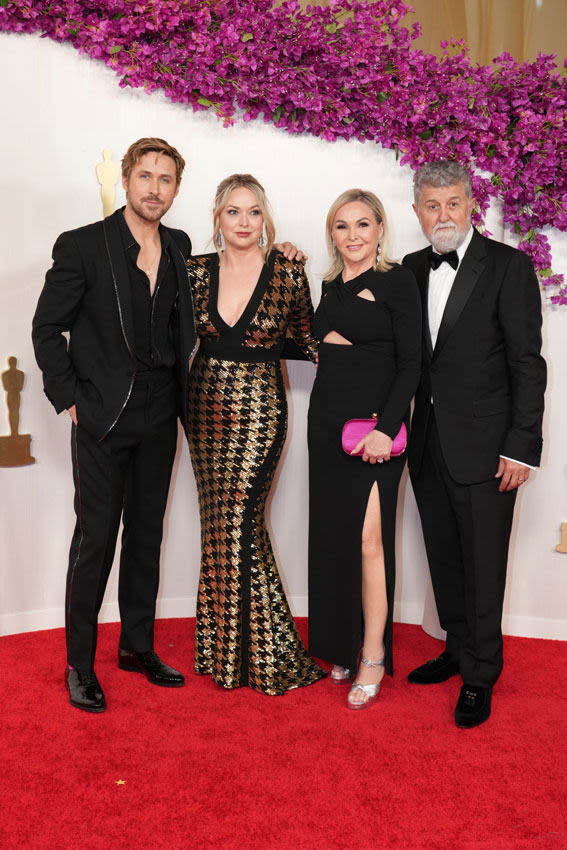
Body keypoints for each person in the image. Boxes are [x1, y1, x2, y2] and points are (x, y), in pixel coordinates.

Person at [32, 138, 196, 712]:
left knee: (146, 535)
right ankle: (81, 665)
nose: (155, 188)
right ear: (126, 180)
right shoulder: (82, 246)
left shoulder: (179, 245)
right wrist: (70, 399)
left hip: (161, 412)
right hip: (103, 414)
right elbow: (47, 329)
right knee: (95, 539)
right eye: (145, 176)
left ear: (177, 187)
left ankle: (136, 646)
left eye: (166, 179)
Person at [403, 160, 546, 728]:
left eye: (453, 204)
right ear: (417, 213)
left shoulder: (508, 267)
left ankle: (481, 675)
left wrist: (521, 446)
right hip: (427, 443)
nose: (443, 216)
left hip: (489, 447)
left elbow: (526, 364)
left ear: (471, 207)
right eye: (432, 206)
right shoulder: (411, 269)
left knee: (484, 563)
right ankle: (457, 649)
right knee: (444, 554)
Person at [186, 174, 326, 695]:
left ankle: (266, 654)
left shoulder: (287, 271)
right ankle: (225, 650)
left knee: (241, 519)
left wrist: (371, 367)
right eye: (232, 212)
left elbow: (311, 340)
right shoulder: (194, 271)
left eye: (253, 212)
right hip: (202, 408)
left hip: (261, 408)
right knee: (218, 525)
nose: (243, 222)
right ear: (218, 219)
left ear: (265, 219)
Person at [308, 189, 422, 709]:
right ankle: (344, 647)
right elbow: (318, 346)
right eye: (341, 226)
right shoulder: (329, 285)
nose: (352, 236)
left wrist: (387, 427)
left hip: (375, 429)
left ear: (380, 230)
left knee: (370, 542)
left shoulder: (396, 280)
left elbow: (411, 364)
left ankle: (373, 654)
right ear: (332, 234)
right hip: (327, 422)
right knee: (336, 537)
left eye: (362, 225)